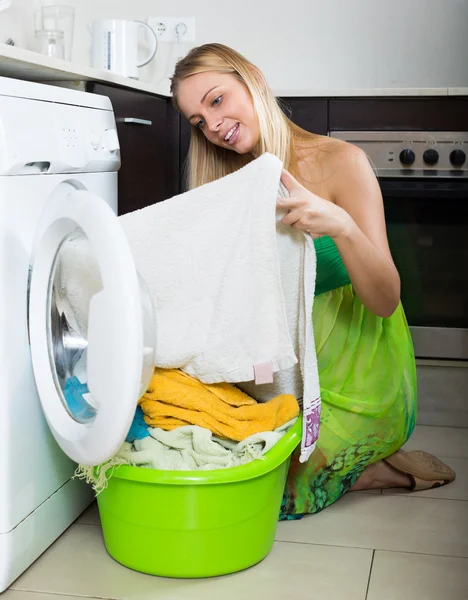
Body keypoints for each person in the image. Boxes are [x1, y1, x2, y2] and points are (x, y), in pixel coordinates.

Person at [169, 43, 456, 519]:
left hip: (358, 376)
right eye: (197, 120)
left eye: (216, 100)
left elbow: (385, 300)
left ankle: (380, 468)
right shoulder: (225, 185)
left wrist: (340, 224)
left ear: (252, 79)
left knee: (272, 498)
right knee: (221, 464)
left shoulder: (342, 162)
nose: (212, 125)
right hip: (281, 372)